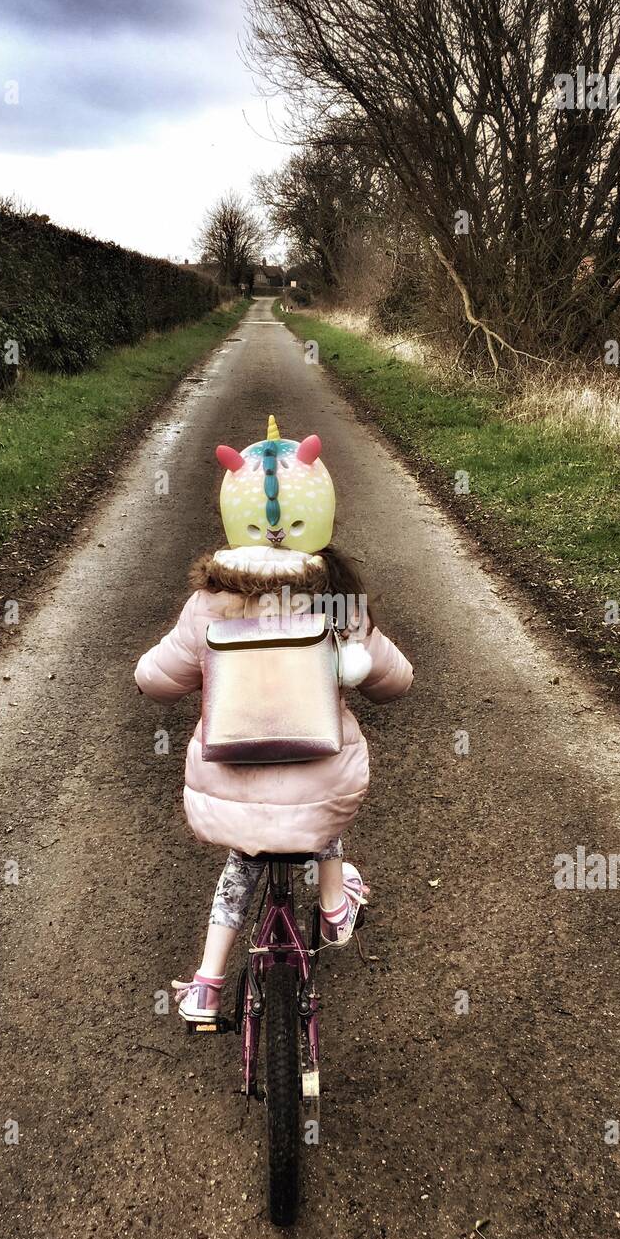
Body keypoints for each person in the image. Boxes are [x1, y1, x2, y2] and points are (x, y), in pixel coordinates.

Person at [134, 416, 413, 1023]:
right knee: (320, 801)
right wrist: (360, 667)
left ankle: (207, 983)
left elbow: (155, 680)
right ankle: (337, 910)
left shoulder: (210, 602)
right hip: (321, 780)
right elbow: (396, 680)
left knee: (242, 867)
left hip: (229, 783)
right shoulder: (337, 599)